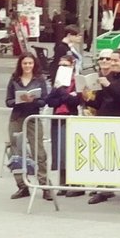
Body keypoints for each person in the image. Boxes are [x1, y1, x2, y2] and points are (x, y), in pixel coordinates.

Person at [85, 48, 120, 206]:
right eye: (110, 60)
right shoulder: (106, 77)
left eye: (115, 60)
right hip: (104, 118)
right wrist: (86, 98)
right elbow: (100, 102)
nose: (112, 63)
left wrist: (108, 85)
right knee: (104, 156)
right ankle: (104, 189)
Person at [5, 53, 52, 201]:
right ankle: (22, 185)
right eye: (25, 63)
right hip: (17, 117)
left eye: (30, 63)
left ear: (34, 64)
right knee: (15, 152)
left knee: (39, 151)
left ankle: (45, 186)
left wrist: (33, 100)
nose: (27, 66)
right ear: (20, 64)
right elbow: (8, 101)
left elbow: (44, 100)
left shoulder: (39, 80)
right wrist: (18, 100)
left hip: (33, 117)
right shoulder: (14, 79)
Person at [43, 54, 84, 197]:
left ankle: (76, 184)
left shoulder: (77, 81)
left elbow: (74, 101)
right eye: (60, 65)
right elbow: (49, 100)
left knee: (70, 151)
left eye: (66, 65)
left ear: (72, 66)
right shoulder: (58, 82)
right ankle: (63, 183)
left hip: (71, 118)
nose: (62, 68)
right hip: (57, 117)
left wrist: (61, 94)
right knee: (59, 151)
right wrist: (61, 96)